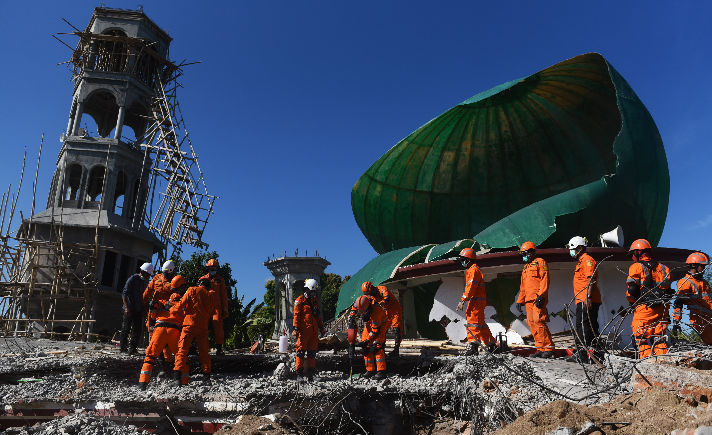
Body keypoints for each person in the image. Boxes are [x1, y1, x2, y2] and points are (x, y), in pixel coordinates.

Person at [138, 275, 187, 390]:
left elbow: (153, 314)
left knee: (150, 357)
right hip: (174, 331)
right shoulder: (183, 301)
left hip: (159, 329)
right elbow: (186, 318)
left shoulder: (160, 302)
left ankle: (142, 384)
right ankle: (182, 381)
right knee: (180, 357)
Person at [626, 238, 672, 358]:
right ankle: (663, 362)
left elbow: (632, 290)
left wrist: (632, 303)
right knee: (659, 338)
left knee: (641, 338)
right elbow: (668, 290)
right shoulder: (664, 268)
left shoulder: (636, 267)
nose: (632, 258)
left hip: (645, 309)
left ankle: (647, 364)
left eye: (633, 254)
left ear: (638, 252)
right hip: (662, 309)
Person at [516, 241, 555, 358]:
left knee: (539, 321)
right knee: (531, 323)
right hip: (528, 300)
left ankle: (549, 348)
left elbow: (545, 279)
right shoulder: (525, 268)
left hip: (537, 299)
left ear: (531, 252)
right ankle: (540, 349)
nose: (523, 256)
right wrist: (519, 300)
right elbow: (523, 286)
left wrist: (541, 296)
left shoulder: (540, 262)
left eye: (524, 253)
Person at [565, 236, 601, 364]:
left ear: (580, 248)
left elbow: (591, 279)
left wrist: (588, 297)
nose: (571, 251)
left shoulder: (587, 260)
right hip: (583, 299)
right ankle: (597, 354)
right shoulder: (581, 261)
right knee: (589, 327)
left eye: (573, 249)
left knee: (583, 327)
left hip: (586, 299)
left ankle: (582, 355)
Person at [173, 276, 214, 386]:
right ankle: (207, 378)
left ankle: (177, 378)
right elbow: (210, 312)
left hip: (189, 325)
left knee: (182, 351)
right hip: (203, 328)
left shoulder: (191, 289)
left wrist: (170, 308)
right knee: (204, 353)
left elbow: (180, 306)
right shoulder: (211, 295)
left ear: (199, 283)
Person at [455, 248, 495, 355]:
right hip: (476, 301)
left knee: (473, 323)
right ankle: (492, 345)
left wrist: (463, 300)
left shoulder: (473, 270)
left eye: (463, 259)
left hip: (476, 302)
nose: (462, 262)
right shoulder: (474, 270)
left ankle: (474, 347)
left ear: (469, 259)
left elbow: (471, 287)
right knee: (480, 324)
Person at [673, 252, 711, 344]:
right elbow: (679, 303)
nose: (704, 269)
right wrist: (676, 321)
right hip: (699, 319)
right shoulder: (685, 282)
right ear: (694, 265)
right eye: (702, 266)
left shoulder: (704, 283)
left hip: (709, 318)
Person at [347, 295, 388, 380]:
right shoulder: (360, 302)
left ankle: (381, 371)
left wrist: (368, 340)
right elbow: (354, 308)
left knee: (377, 346)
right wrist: (351, 317)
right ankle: (370, 370)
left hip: (380, 325)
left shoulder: (377, 311)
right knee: (365, 347)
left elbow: (375, 331)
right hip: (370, 322)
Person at [292, 278, 324, 381]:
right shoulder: (300, 300)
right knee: (300, 352)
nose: (314, 293)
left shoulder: (314, 301)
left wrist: (321, 328)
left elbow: (318, 316)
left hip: (313, 332)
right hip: (304, 331)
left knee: (312, 353)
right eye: (313, 291)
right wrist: (295, 328)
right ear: (308, 289)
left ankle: (311, 374)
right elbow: (296, 315)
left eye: (315, 291)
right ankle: (299, 374)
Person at [361, 281, 404, 357]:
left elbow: (386, 299)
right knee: (383, 329)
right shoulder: (372, 297)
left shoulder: (382, 289)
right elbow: (371, 306)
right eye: (369, 294)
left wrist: (379, 304)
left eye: (370, 293)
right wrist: (367, 314)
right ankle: (382, 348)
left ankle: (396, 350)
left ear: (372, 288)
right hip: (387, 311)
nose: (370, 294)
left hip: (395, 309)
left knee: (397, 329)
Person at [120, 263, 153, 354]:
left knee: (137, 330)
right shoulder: (132, 279)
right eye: (147, 275)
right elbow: (124, 294)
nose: (148, 277)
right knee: (126, 328)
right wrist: (127, 308)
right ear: (143, 272)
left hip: (139, 309)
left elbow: (145, 297)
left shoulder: (146, 282)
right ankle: (123, 348)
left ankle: (132, 349)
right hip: (130, 308)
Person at [202, 258, 229, 356]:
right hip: (204, 307)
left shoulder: (220, 280)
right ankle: (203, 348)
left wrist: (225, 309)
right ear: (208, 268)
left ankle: (219, 348)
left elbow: (224, 295)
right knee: (203, 327)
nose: (212, 270)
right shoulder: (202, 279)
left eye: (214, 268)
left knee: (218, 325)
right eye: (211, 268)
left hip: (216, 307)